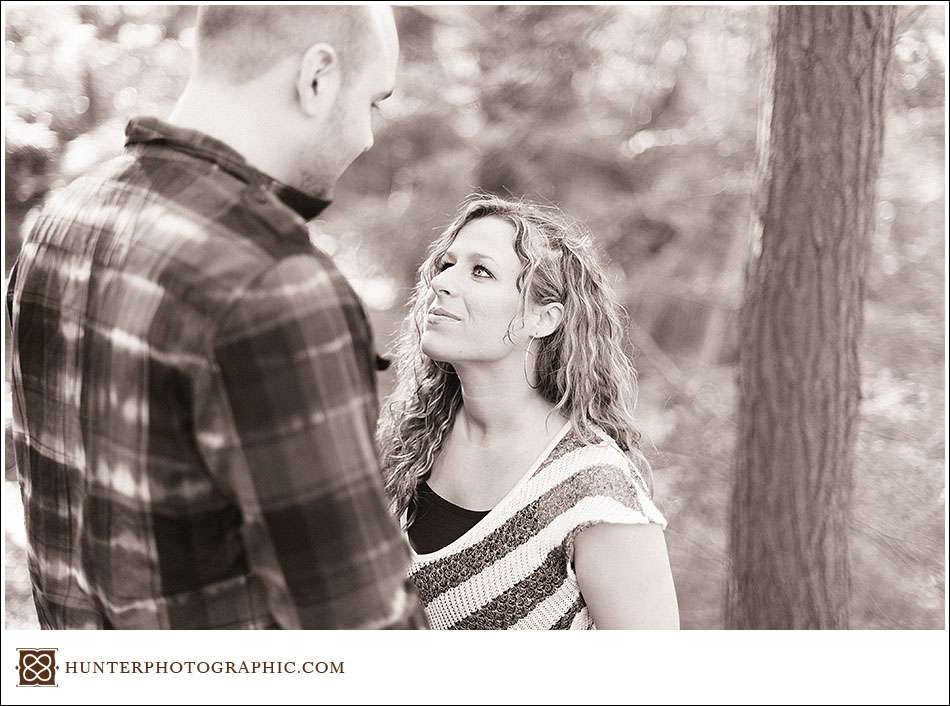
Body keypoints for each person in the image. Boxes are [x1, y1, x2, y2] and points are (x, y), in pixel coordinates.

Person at [5, 5, 427, 629]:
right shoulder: (270, 280)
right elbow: (361, 628)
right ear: (317, 77)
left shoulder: (60, 222)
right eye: (373, 102)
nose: (367, 137)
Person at [378, 196, 679, 629]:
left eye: (481, 271)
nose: (442, 283)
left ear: (543, 318)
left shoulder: (593, 493)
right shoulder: (407, 439)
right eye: (447, 264)